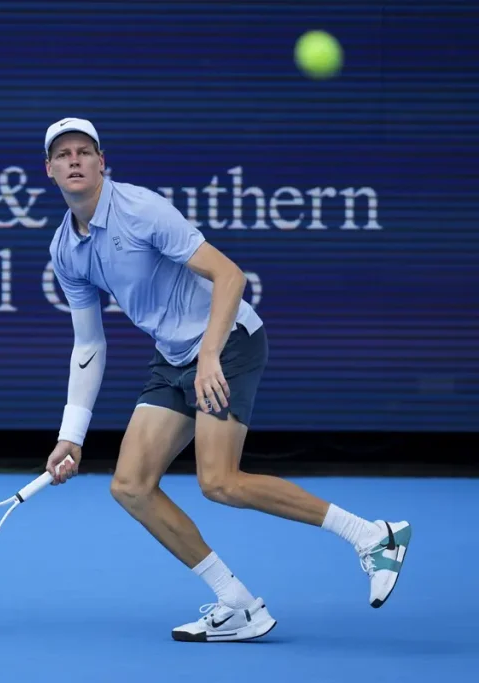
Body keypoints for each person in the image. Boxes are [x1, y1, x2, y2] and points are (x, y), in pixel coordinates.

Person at [40, 117, 412, 643]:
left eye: (84, 151)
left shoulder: (141, 209)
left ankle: (373, 536)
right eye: (63, 154)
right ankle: (238, 605)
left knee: (219, 481)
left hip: (229, 339)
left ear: (102, 163)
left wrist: (211, 354)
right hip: (174, 356)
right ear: (50, 170)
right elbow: (89, 345)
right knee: (131, 486)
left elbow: (229, 274)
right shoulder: (65, 249)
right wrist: (71, 436)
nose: (74, 160)